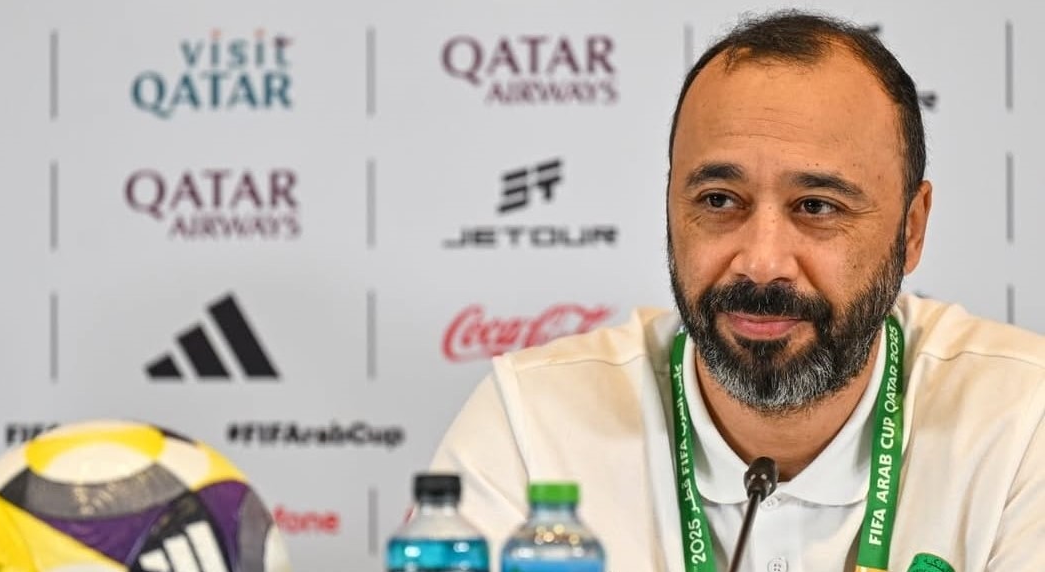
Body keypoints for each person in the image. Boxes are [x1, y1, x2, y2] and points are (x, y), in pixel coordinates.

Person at [431, 10, 1045, 572]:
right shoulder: (535, 422)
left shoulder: (1021, 419)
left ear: (910, 230)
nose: (761, 263)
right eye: (720, 200)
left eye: (816, 206)